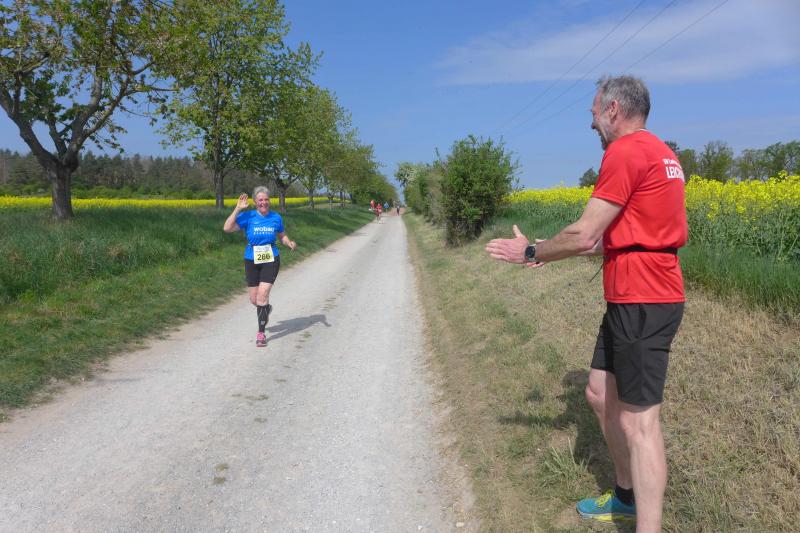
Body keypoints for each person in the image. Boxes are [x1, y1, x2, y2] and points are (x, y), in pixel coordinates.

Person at [485, 75, 687, 533]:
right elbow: (620, 238)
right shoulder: (661, 153)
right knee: (599, 393)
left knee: (640, 424)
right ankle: (625, 497)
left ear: (613, 109)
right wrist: (547, 251)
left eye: (594, 112)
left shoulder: (625, 151)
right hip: (631, 296)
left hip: (644, 299)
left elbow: (584, 233)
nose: (591, 122)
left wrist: (530, 252)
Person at [223, 186, 297, 347]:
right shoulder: (248, 216)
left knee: (262, 295)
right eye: (260, 200)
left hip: (271, 258)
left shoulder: (276, 217)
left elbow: (282, 235)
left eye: (266, 199)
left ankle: (261, 334)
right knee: (254, 299)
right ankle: (265, 309)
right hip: (251, 259)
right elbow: (227, 228)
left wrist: (288, 242)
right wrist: (237, 209)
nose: (264, 202)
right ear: (255, 202)